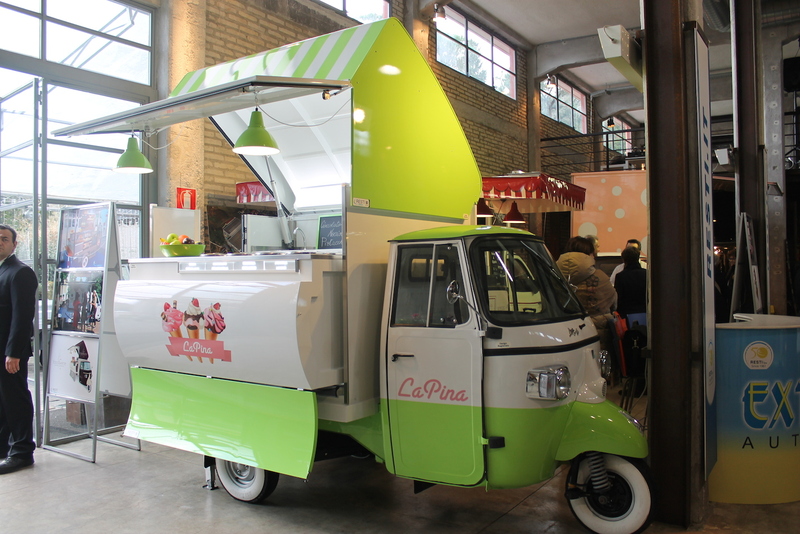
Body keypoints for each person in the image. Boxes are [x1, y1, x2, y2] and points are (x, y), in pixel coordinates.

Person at [0, 224, 38, 474]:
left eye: (4, 239)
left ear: (14, 245)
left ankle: (23, 452)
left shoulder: (20, 272)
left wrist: (13, 352)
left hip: (10, 353)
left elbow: (23, 317)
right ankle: (4, 448)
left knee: (16, 400)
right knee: (3, 401)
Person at [556, 236, 617, 351]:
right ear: (589, 254)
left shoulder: (552, 276)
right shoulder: (600, 277)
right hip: (596, 336)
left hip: (561, 335)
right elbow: (613, 301)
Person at [614, 246, 647, 319]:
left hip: (626, 315)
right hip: (645, 312)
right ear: (638, 258)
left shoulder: (620, 276)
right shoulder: (646, 274)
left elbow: (618, 298)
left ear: (624, 260)